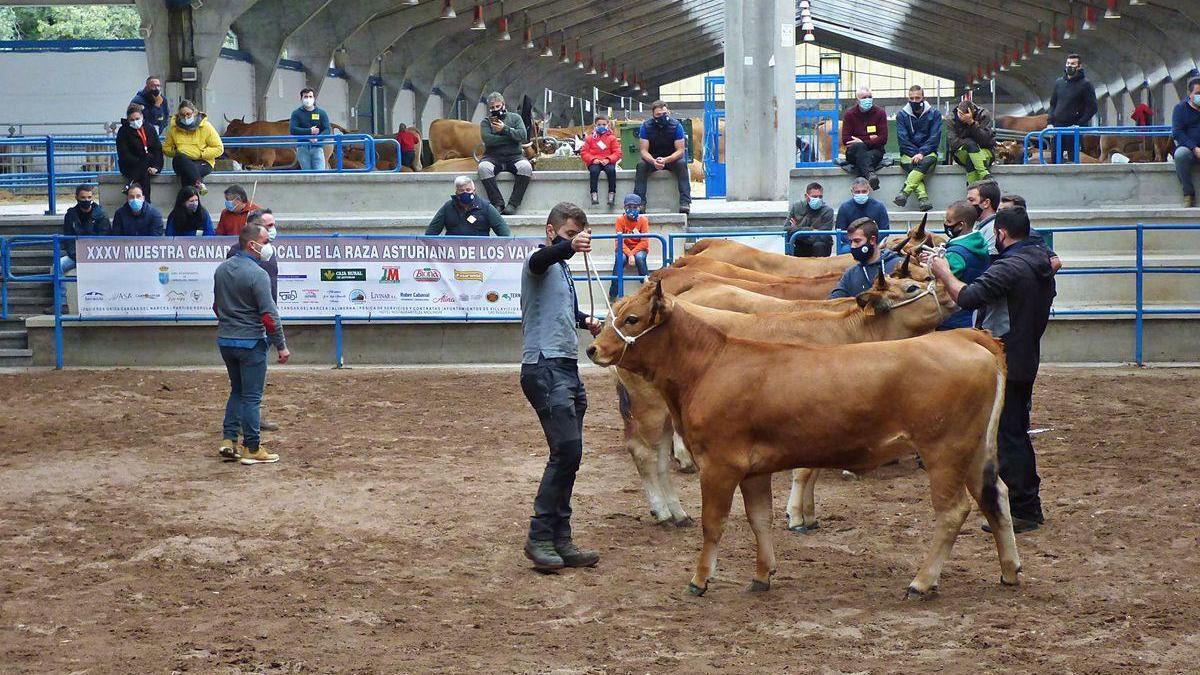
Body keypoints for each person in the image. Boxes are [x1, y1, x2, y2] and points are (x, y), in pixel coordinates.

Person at [926, 206, 1054, 533]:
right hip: (1026, 354)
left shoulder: (1010, 268)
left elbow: (967, 296)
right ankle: (1026, 503)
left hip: (1006, 356)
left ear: (1001, 234)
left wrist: (942, 271)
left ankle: (1025, 508)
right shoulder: (1040, 258)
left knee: (1009, 434)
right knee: (1015, 431)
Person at [520, 202, 603, 572]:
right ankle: (540, 537)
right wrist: (569, 247)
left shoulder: (562, 270)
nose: (574, 242)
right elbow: (545, 260)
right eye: (570, 234)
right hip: (544, 366)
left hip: (563, 366)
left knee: (569, 453)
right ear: (551, 232)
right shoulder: (538, 259)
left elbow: (565, 313)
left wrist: (587, 321)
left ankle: (559, 538)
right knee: (567, 450)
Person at [214, 221, 290, 466]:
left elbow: (217, 306)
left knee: (237, 391)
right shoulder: (259, 274)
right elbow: (269, 315)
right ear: (252, 244)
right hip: (250, 342)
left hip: (226, 340)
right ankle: (252, 447)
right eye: (266, 242)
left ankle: (228, 440)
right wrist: (281, 345)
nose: (269, 246)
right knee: (252, 397)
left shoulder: (221, 270)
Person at [936, 200, 989, 329]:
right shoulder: (979, 243)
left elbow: (941, 285)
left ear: (961, 225)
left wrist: (931, 266)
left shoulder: (956, 254)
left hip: (955, 321)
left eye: (948, 221)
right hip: (973, 316)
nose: (945, 224)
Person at [477, 92, 532, 215]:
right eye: (492, 108)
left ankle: (513, 204)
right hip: (492, 157)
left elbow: (523, 135)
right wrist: (511, 137)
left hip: (514, 156)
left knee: (526, 167)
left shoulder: (515, 118)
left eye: (497, 106)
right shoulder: (486, 122)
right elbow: (488, 140)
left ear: (503, 105)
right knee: (483, 168)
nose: (495, 109)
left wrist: (504, 129)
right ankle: (497, 203)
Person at [634, 101, 692, 214]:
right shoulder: (646, 126)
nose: (662, 117)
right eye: (658, 115)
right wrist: (653, 161)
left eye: (664, 114)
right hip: (652, 158)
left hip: (671, 158)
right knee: (641, 166)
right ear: (653, 115)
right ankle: (639, 203)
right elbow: (643, 151)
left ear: (668, 112)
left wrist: (666, 160)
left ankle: (685, 202)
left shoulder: (676, 126)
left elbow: (680, 150)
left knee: (682, 165)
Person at [894, 85, 942, 211]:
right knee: (913, 166)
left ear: (923, 98)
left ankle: (905, 192)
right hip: (907, 155)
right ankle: (923, 198)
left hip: (928, 154)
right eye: (911, 98)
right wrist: (916, 154)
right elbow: (902, 140)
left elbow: (934, 138)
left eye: (917, 98)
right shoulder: (902, 115)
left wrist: (922, 153)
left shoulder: (935, 114)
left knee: (924, 162)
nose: (914, 101)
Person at [827, 217, 901, 299]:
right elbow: (833, 301)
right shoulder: (850, 274)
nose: (852, 246)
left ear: (872, 240)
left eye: (857, 241)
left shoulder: (899, 265)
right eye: (851, 242)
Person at [162, 99, 223, 194]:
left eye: (188, 114)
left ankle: (188, 202)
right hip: (181, 161)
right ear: (178, 115)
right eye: (182, 115)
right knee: (182, 159)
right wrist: (177, 151)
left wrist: (200, 154)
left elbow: (219, 148)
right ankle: (199, 184)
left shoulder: (206, 127)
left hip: (203, 162)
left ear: (194, 113)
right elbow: (166, 148)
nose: (185, 117)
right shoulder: (173, 129)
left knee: (187, 175)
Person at [1047, 53, 1099, 163]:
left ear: (1079, 66)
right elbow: (1053, 104)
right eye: (1068, 63)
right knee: (1055, 158)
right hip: (1058, 127)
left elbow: (1092, 107)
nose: (1069, 66)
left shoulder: (1086, 84)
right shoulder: (1059, 83)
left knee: (1073, 158)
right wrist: (1050, 122)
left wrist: (1080, 123)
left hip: (1074, 128)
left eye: (1073, 64)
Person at [999, 193, 1063, 273]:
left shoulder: (1030, 235)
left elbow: (1055, 263)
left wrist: (1036, 282)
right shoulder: (1002, 232)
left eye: (1005, 210)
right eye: (999, 211)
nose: (1000, 214)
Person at [426, 176, 511, 236]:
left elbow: (504, 233)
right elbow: (431, 232)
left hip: (479, 255)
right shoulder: (448, 207)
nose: (465, 193)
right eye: (461, 191)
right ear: (456, 193)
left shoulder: (486, 207)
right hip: (453, 255)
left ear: (474, 191)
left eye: (468, 190)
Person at [841, 85, 888, 189]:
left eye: (869, 97)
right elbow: (846, 140)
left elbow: (883, 138)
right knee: (858, 148)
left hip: (875, 152)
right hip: (854, 152)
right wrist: (871, 139)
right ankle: (870, 174)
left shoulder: (880, 113)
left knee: (864, 150)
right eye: (864, 98)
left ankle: (870, 175)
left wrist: (861, 141)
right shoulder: (850, 114)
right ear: (857, 100)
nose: (867, 99)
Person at [115, 103, 164, 204]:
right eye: (132, 120)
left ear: (142, 117)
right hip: (130, 166)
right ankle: (147, 202)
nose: (135, 122)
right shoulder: (123, 131)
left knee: (147, 161)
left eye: (137, 118)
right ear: (128, 120)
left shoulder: (149, 128)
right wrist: (141, 162)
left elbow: (157, 150)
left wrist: (156, 167)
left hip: (148, 165)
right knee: (145, 167)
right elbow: (124, 154)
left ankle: (131, 184)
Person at [608, 194, 651, 301]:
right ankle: (613, 294)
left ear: (639, 208)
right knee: (620, 259)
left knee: (640, 258)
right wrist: (629, 254)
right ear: (624, 208)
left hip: (639, 248)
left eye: (635, 207)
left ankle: (648, 289)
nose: (632, 210)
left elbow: (644, 242)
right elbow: (619, 242)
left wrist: (633, 254)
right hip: (624, 248)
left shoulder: (643, 220)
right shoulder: (620, 220)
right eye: (629, 207)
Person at [60, 184, 110, 273]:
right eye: (83, 198)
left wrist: (93, 255)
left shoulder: (101, 216)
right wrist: (76, 255)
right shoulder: (71, 215)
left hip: (97, 256)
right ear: (76, 197)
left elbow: (104, 238)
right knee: (58, 266)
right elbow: (68, 238)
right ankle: (60, 287)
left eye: (89, 197)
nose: (86, 200)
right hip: (77, 256)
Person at [835, 177, 890, 254]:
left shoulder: (879, 206)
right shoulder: (844, 207)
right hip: (852, 243)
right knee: (845, 251)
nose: (861, 194)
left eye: (864, 191)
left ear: (869, 190)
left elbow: (885, 230)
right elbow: (840, 232)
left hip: (873, 242)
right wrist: (855, 242)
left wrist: (871, 242)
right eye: (857, 192)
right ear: (852, 191)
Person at [948, 100, 997, 184]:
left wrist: (971, 123)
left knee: (971, 159)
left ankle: (971, 188)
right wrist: (969, 143)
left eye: (964, 115)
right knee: (970, 145)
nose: (962, 117)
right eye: (960, 114)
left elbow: (986, 140)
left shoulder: (983, 115)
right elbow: (953, 143)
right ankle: (985, 175)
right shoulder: (951, 119)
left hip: (985, 150)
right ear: (957, 111)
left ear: (972, 112)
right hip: (961, 151)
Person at [580, 115, 623, 206]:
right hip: (595, 161)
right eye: (599, 124)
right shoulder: (590, 138)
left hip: (608, 161)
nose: (601, 126)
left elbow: (618, 152)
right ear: (595, 125)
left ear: (608, 125)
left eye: (604, 124)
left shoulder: (612, 138)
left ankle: (612, 194)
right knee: (594, 171)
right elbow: (584, 152)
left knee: (611, 171)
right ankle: (593, 193)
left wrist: (609, 159)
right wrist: (593, 159)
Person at [1171, 77, 1200, 207]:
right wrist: (1194, 148)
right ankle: (1189, 194)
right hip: (1189, 149)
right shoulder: (1180, 109)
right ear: (1190, 94)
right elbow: (1177, 132)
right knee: (1180, 155)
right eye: (1198, 93)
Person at [786, 181, 835, 257]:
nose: (818, 199)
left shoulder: (828, 211)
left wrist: (797, 230)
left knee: (819, 244)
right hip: (800, 245)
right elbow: (786, 229)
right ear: (806, 196)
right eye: (815, 197)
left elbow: (823, 235)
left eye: (820, 197)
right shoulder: (797, 207)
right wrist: (811, 230)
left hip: (820, 247)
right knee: (794, 244)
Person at [289, 88, 330, 171]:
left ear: (314, 98)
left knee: (320, 174)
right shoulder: (296, 113)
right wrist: (309, 131)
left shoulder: (321, 113)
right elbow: (293, 130)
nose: (308, 99)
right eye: (305, 97)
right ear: (301, 99)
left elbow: (327, 129)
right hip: (302, 148)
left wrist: (318, 138)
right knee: (307, 175)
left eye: (310, 96)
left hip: (317, 147)